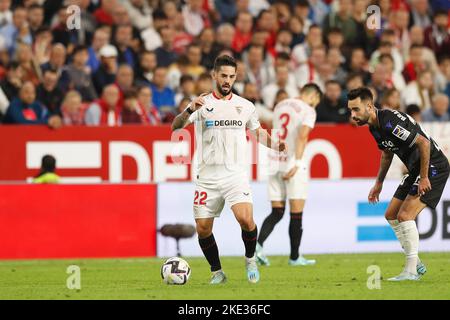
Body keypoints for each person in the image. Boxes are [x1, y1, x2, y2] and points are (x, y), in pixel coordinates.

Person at [171, 55, 286, 284]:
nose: (227, 80)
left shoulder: (245, 106)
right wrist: (188, 109)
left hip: (235, 175)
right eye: (223, 75)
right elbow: (176, 127)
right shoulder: (201, 104)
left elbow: (258, 132)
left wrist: (275, 144)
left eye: (231, 76)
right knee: (203, 228)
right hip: (207, 178)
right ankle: (217, 272)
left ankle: (250, 258)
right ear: (214, 75)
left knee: (245, 219)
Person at [347, 87, 450, 281]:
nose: (352, 115)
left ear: (369, 106)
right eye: (351, 110)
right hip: (415, 168)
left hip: (433, 165)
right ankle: (415, 261)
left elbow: (423, 143)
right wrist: (379, 183)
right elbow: (387, 153)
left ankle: (410, 271)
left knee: (405, 215)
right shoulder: (374, 127)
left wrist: (425, 176)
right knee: (391, 214)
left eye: (356, 109)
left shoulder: (389, 122)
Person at [256, 83, 322, 267]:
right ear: (314, 96)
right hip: (292, 163)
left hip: (275, 161)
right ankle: (294, 258)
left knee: (277, 211)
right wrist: (298, 162)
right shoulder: (308, 110)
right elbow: (302, 136)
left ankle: (257, 247)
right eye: (316, 101)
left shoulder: (280, 105)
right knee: (296, 213)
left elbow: (273, 126)